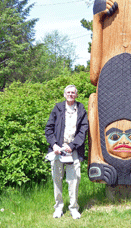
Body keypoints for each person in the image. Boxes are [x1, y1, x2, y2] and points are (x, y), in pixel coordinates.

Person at [45, 84, 88, 219]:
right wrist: (54, 145)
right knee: (57, 179)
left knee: (74, 179)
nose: (70, 94)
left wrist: (73, 145)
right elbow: (49, 129)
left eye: (73, 93)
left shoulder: (81, 109)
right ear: (64, 94)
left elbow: (83, 130)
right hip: (58, 149)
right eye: (68, 92)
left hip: (73, 149)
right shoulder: (58, 108)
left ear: (76, 95)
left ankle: (74, 208)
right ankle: (58, 208)